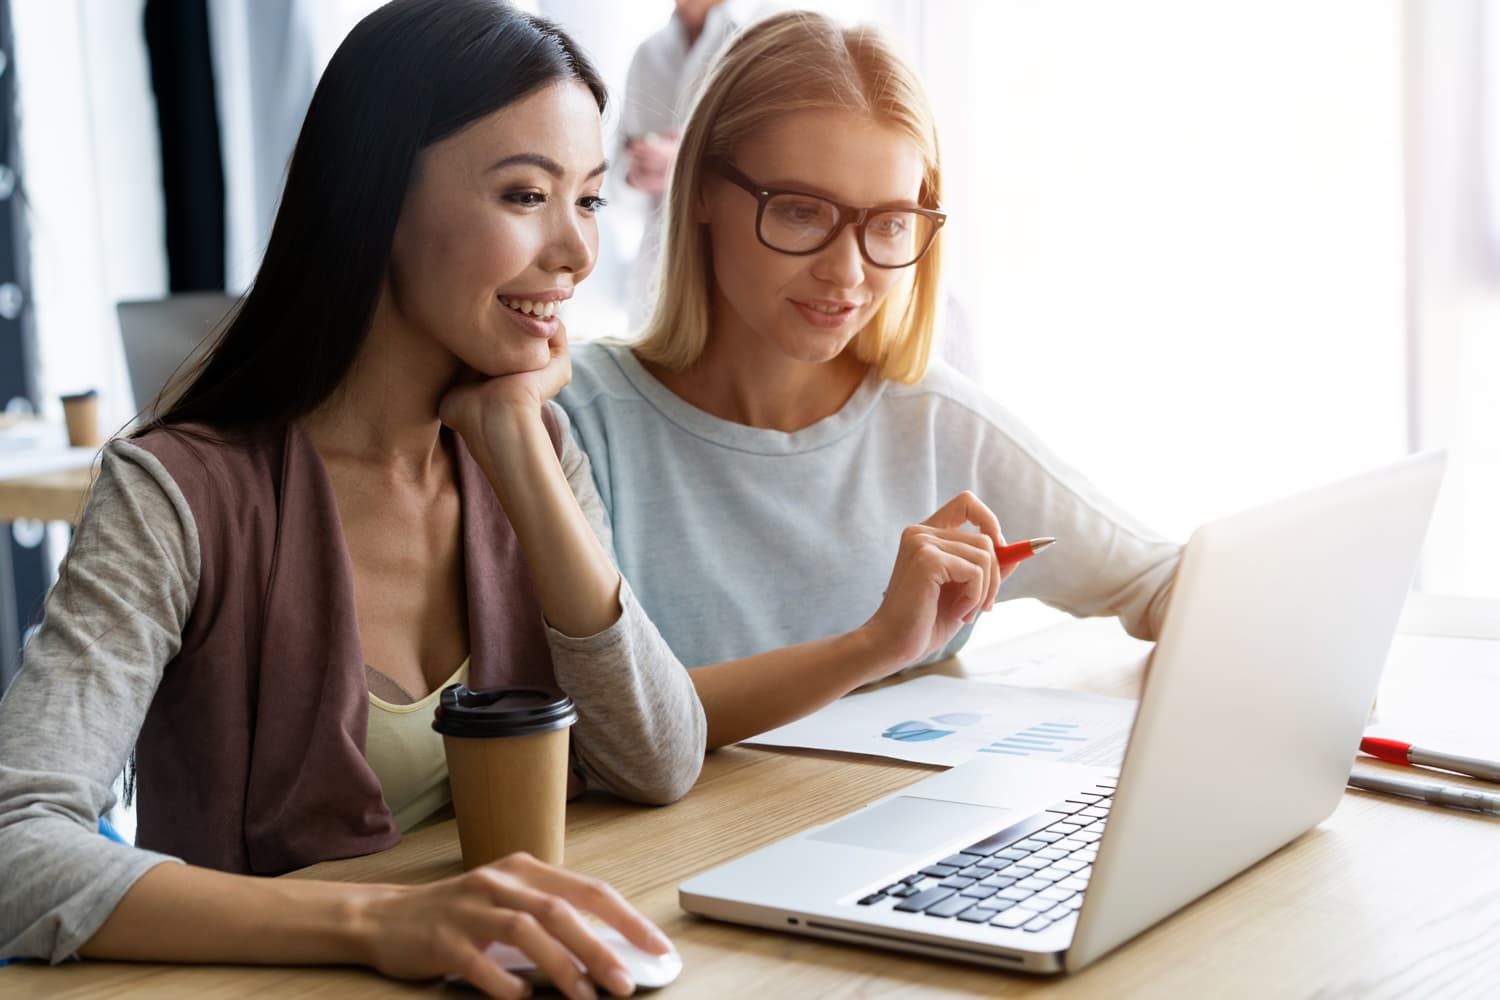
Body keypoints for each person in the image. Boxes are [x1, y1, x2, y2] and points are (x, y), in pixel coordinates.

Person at [0, 2, 698, 996]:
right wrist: (378, 920)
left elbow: (660, 758)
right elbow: (14, 844)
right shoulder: (178, 491)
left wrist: (520, 450)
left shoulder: (531, 443)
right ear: (377, 199)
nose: (578, 252)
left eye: (587, 199)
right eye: (525, 194)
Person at [557, 11, 1181, 748]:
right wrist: (877, 644)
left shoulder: (935, 422)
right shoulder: (577, 421)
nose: (847, 273)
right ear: (700, 191)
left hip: (907, 843)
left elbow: (1163, 583)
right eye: (798, 211)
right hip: (654, 860)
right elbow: (615, 726)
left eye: (889, 223)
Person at [615, 0, 747, 327]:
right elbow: (614, 191)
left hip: (726, 286)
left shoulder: (763, 34)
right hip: (650, 289)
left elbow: (780, 168)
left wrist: (686, 164)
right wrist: (634, 175)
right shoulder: (647, 53)